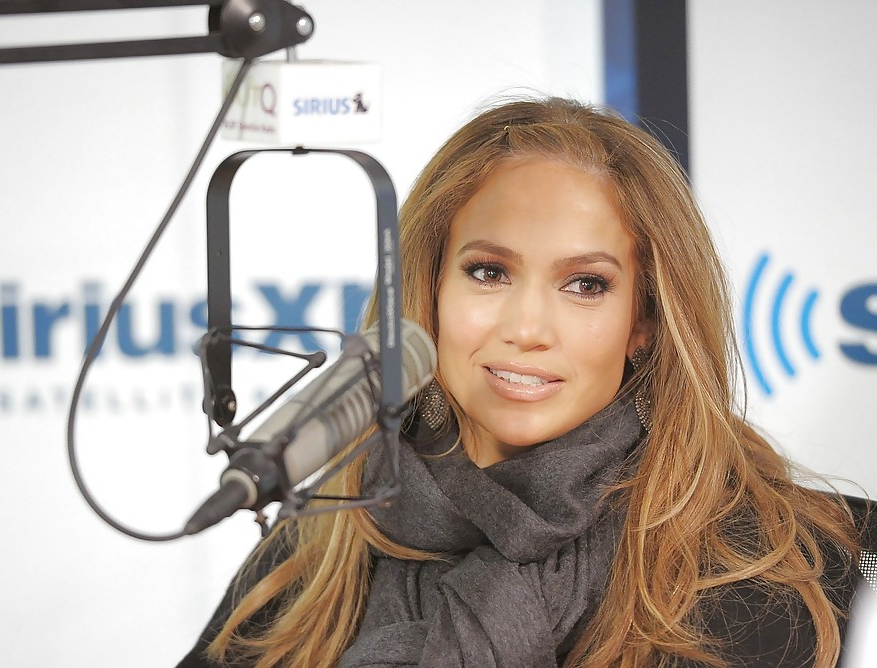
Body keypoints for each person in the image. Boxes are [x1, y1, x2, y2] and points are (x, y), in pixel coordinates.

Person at [177, 97, 865, 667]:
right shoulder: (313, 549)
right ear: (430, 289)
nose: (528, 326)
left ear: (644, 321)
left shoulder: (777, 561)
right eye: (488, 272)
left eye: (585, 284)